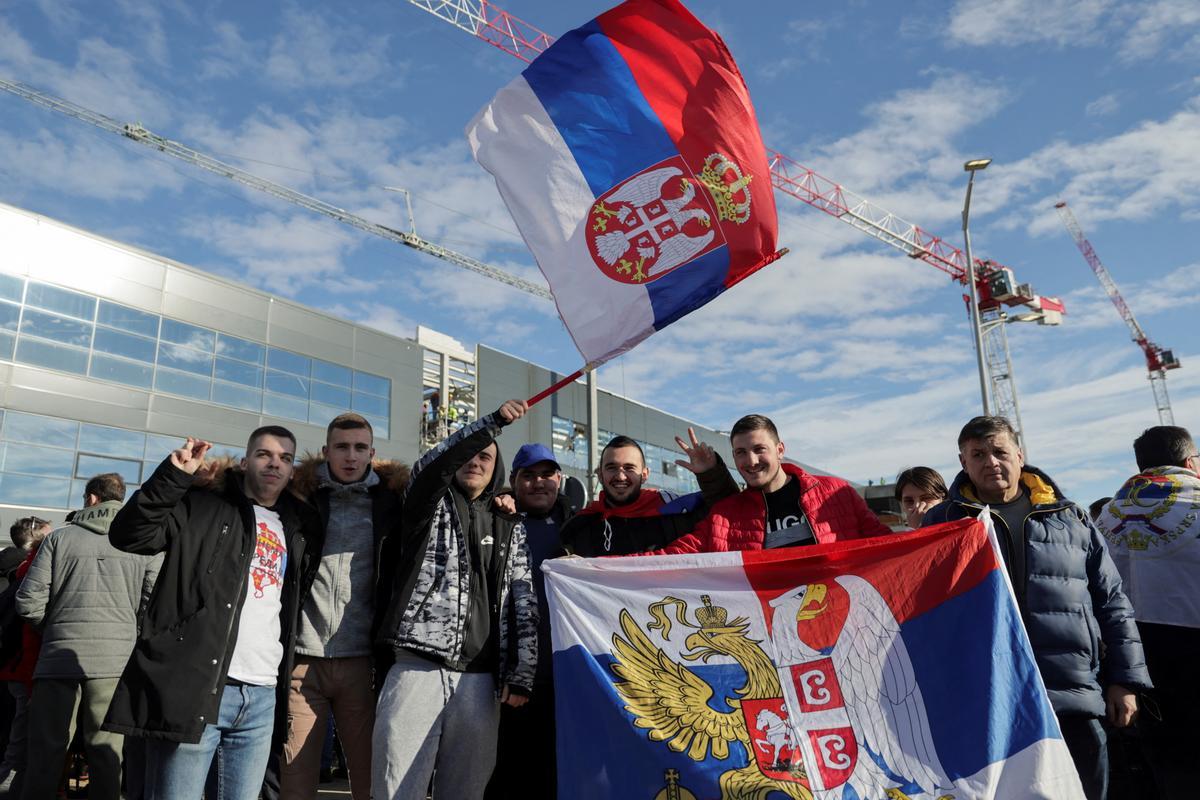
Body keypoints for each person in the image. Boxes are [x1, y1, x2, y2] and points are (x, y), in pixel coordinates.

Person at [922, 415, 1149, 800]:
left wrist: (1124, 680)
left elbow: (1112, 603)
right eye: (978, 454)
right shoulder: (942, 522)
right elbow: (921, 613)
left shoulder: (1071, 519)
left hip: (1072, 695)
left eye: (999, 451)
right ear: (963, 462)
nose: (991, 462)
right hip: (985, 701)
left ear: (1019, 455)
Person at [104, 428, 322, 800]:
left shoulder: (299, 524)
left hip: (262, 694)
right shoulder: (201, 503)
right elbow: (129, 534)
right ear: (244, 461)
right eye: (264, 454)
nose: (275, 464)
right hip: (197, 686)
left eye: (285, 458)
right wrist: (174, 475)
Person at [372, 400, 537, 800]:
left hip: (481, 682)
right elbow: (434, 466)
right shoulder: (424, 505)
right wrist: (493, 424)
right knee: (397, 789)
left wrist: (522, 671)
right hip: (417, 668)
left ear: (496, 470)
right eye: (468, 453)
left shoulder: (509, 523)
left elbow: (524, 601)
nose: (475, 461)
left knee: (466, 792)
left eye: (485, 457)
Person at [280, 413, 408, 800]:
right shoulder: (299, 499)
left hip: (362, 665)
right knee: (295, 783)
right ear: (325, 452)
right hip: (303, 663)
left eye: (359, 448)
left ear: (373, 453)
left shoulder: (392, 503)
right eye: (341, 447)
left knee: (372, 784)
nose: (350, 457)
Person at [15, 474, 159, 800]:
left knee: (45, 750)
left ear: (92, 499)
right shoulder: (146, 543)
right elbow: (153, 606)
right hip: (115, 660)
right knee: (106, 749)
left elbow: (28, 602)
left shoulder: (58, 540)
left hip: (57, 656)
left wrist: (55, 629)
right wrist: (126, 634)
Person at [1094, 425, 1200, 799]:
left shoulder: (1106, 515)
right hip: (1191, 641)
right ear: (1190, 462)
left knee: (1167, 760)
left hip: (1135, 651)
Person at [657, 414, 891, 554]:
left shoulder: (836, 493)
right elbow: (676, 556)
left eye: (760, 449)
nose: (751, 461)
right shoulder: (724, 515)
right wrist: (619, 571)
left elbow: (888, 545)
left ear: (780, 450)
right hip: (770, 629)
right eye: (741, 452)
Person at [486, 444, 577, 800]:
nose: (538, 483)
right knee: (505, 775)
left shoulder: (579, 525)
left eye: (546, 475)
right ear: (513, 481)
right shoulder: (496, 520)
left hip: (564, 679)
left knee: (552, 776)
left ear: (559, 479)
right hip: (510, 679)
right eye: (528, 475)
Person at [559, 431, 739, 557]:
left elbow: (730, 511)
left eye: (629, 468)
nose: (620, 476)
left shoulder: (674, 510)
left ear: (645, 474)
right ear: (600, 474)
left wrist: (711, 473)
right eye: (611, 467)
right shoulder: (579, 527)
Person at [0, 518, 52, 800]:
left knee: (14, 736)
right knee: (20, 740)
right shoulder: (29, 572)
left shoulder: (20, 571)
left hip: (14, 667)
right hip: (26, 669)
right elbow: (28, 630)